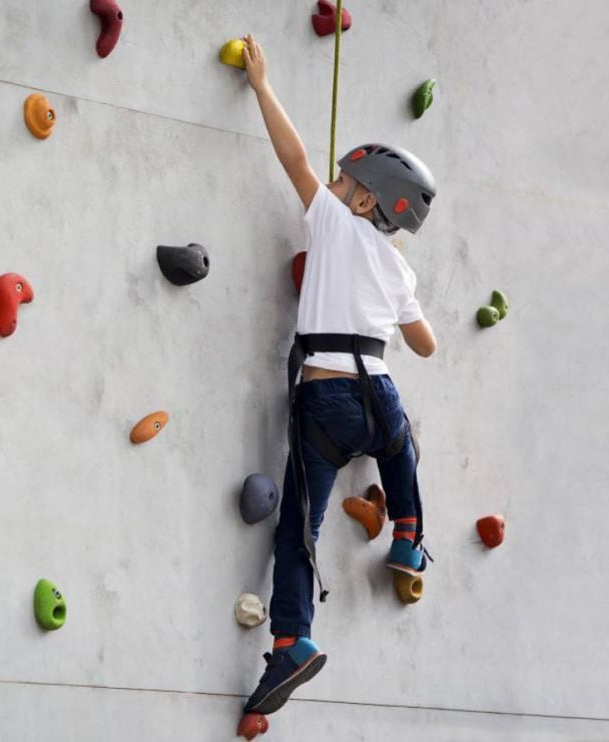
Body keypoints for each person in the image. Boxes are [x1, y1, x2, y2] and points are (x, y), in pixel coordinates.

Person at [238, 34, 438, 716]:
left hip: (324, 401)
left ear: (359, 202)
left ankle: (293, 640)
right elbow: (427, 344)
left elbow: (292, 157)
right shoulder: (400, 267)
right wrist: (400, 304)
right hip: (379, 391)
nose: (331, 185)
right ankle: (408, 535)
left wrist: (264, 86)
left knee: (299, 528)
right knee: (400, 444)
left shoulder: (330, 221)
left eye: (344, 182)